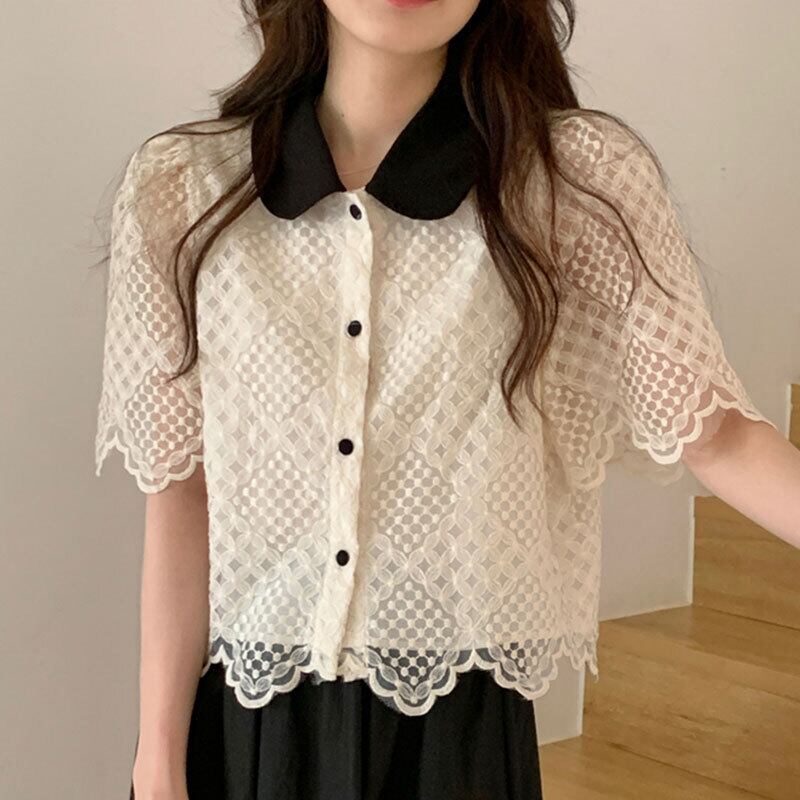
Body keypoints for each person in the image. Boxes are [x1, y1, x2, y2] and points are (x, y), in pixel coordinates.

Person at [93, 0, 800, 798]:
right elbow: (183, 495)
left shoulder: (570, 182)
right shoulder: (183, 191)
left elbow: (716, 432)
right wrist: (158, 757)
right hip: (248, 726)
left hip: (456, 734)